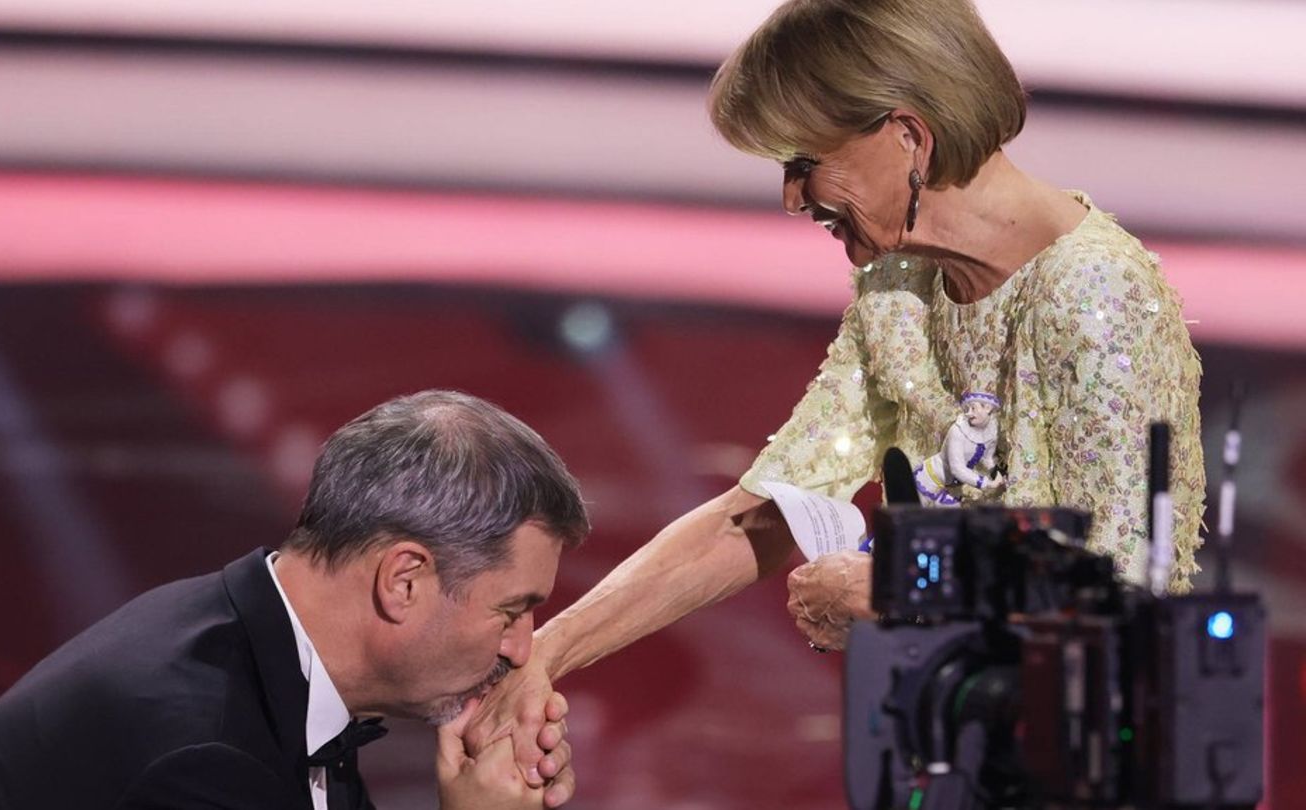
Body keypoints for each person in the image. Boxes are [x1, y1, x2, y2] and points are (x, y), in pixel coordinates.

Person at [463, 0, 1207, 783]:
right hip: (952, 744)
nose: (792, 200)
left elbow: (1122, 586)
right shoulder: (896, 289)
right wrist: (547, 655)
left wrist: (901, 590)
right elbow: (763, 510)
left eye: (804, 162)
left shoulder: (1095, 291)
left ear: (908, 135)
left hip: (1087, 767)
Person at [0, 390, 587, 810]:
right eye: (511, 610)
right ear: (403, 581)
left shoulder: (264, 662)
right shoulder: (201, 753)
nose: (521, 647)